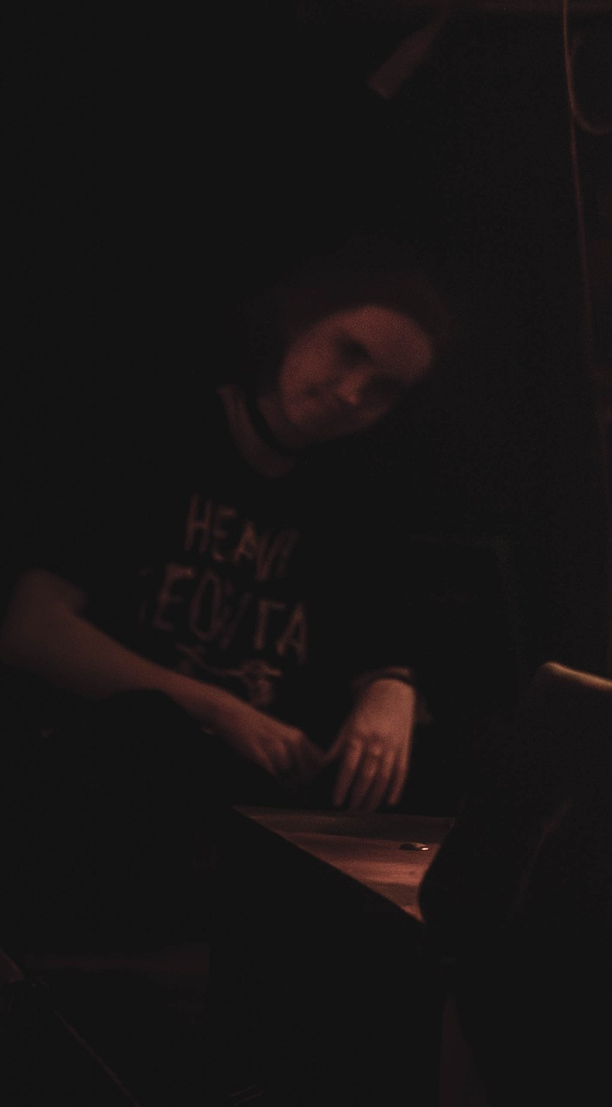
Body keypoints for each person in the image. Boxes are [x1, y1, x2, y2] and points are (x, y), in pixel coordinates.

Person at [2, 251, 447, 930]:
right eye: (348, 351)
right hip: (105, 770)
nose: (353, 393)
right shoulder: (155, 431)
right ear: (300, 321)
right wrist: (223, 711)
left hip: (240, 804)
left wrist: (392, 686)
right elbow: (31, 629)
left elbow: (379, 635)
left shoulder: (347, 498)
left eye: (385, 388)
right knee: (149, 738)